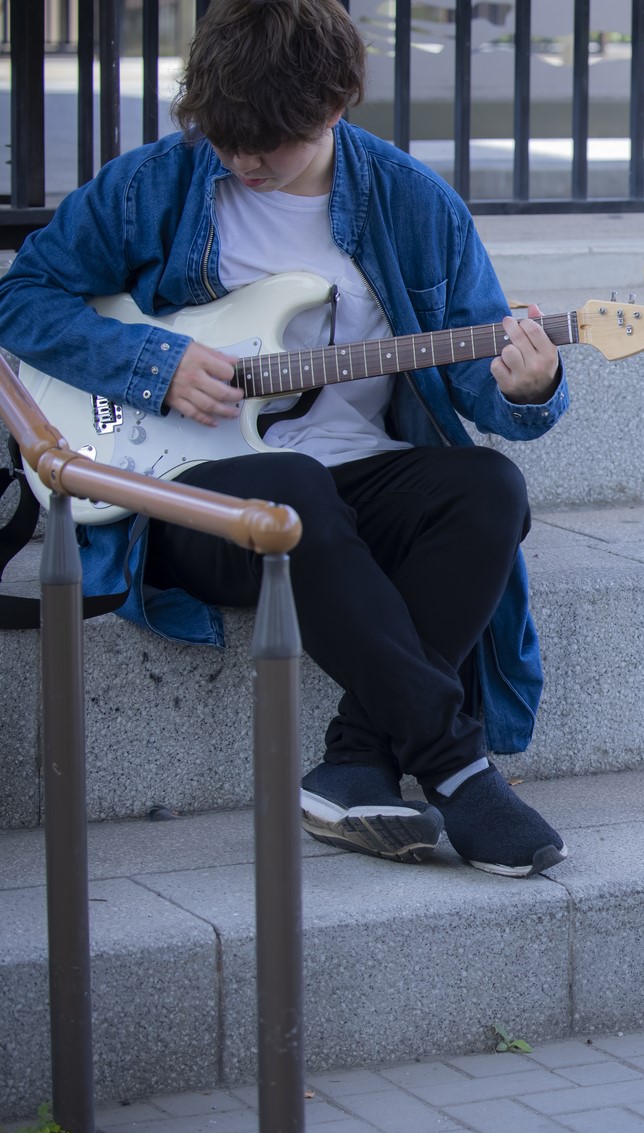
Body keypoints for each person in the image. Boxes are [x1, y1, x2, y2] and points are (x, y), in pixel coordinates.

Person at [0, 0, 571, 876]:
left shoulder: (414, 205)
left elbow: (475, 377)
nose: (243, 161)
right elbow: (22, 295)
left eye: (272, 142)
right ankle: (457, 766)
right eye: (228, 138)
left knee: (489, 489)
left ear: (337, 105)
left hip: (356, 483)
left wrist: (530, 386)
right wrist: (151, 362)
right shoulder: (159, 182)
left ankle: (357, 762)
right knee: (294, 490)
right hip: (191, 495)